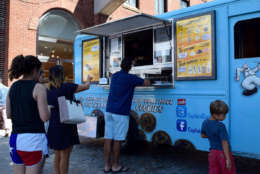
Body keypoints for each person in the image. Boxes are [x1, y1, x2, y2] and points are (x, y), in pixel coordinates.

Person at [104, 57, 150, 173]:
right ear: (130, 67)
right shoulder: (131, 78)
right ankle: (115, 165)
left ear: (121, 66)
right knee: (118, 140)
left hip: (109, 111)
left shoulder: (115, 76)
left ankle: (107, 165)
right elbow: (146, 83)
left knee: (108, 139)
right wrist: (147, 77)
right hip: (121, 113)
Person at [6, 55, 50, 174]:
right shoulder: (38, 88)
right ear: (35, 70)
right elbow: (45, 117)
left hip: (15, 137)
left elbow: (9, 114)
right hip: (33, 139)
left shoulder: (13, 87)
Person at [47, 65, 92, 174]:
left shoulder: (47, 90)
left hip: (54, 125)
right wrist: (89, 79)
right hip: (66, 124)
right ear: (62, 75)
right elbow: (86, 86)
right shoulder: (68, 86)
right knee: (65, 156)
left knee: (57, 155)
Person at [201, 100, 236, 174]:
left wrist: (212, 136)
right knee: (227, 171)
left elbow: (203, 135)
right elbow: (224, 143)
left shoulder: (205, 122)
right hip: (222, 154)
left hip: (212, 153)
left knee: (214, 171)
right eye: (223, 115)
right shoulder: (221, 126)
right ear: (215, 114)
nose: (225, 117)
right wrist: (228, 159)